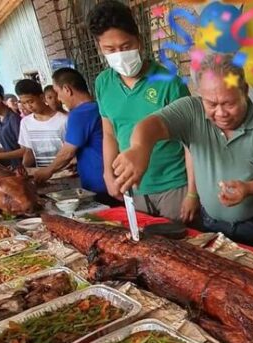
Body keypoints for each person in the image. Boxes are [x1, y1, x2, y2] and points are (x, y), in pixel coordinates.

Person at [111, 53, 253, 252]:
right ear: (201, 97)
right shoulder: (192, 111)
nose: (221, 113)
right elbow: (151, 125)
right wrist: (140, 148)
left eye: (229, 103)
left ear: (245, 91)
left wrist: (248, 188)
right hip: (210, 224)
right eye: (212, 104)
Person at [88, 0, 193, 222]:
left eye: (126, 47)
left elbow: (191, 142)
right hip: (133, 187)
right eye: (110, 50)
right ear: (100, 49)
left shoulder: (169, 83)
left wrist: (193, 192)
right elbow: (109, 132)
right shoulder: (103, 83)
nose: (120, 54)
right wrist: (108, 172)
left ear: (139, 40)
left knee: (181, 249)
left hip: (173, 187)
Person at [34, 68, 110, 203]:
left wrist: (49, 170)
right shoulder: (98, 106)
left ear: (67, 89)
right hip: (108, 178)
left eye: (57, 93)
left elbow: (68, 152)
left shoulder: (80, 113)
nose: (58, 98)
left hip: (99, 182)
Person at [15, 79, 68, 168]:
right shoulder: (25, 122)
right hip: (41, 175)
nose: (29, 106)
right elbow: (29, 151)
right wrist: (24, 169)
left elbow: (70, 151)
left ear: (42, 97)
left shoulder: (63, 120)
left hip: (65, 172)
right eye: (24, 103)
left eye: (31, 101)